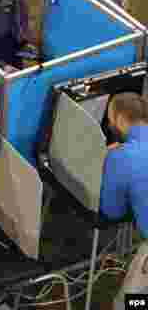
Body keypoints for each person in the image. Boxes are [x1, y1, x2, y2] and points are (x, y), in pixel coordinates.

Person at [99, 93, 148, 309]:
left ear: (118, 119)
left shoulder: (121, 157)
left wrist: (111, 163)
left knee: (130, 304)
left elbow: (113, 211)